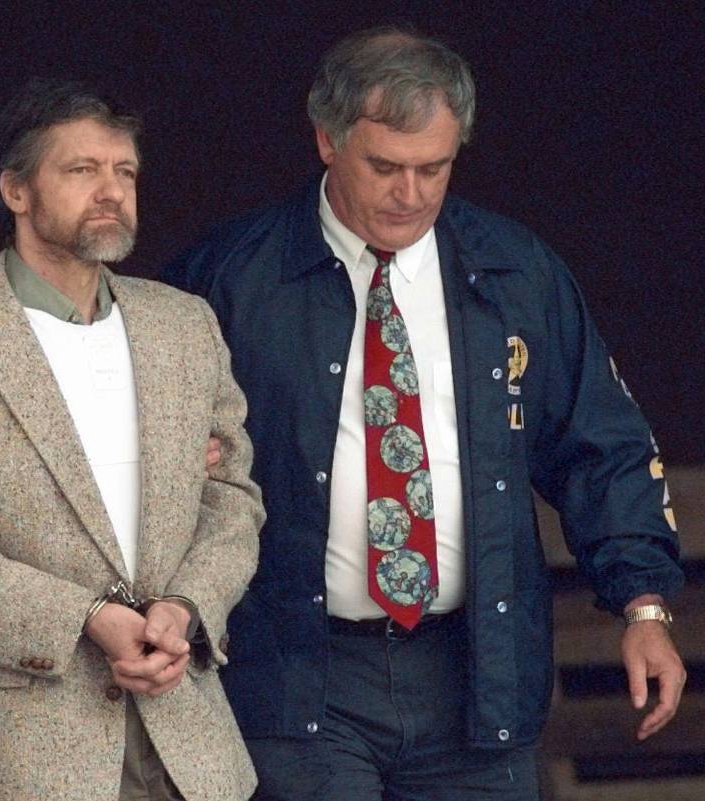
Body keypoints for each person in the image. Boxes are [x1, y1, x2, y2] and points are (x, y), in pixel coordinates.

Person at [163, 26, 685, 801]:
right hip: (297, 672)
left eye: (433, 168)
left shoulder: (516, 272)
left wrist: (643, 604)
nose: (410, 193)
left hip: (476, 672)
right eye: (385, 166)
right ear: (327, 140)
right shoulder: (231, 277)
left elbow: (600, 443)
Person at [0, 78, 265, 801]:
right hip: (11, 754)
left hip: (185, 734)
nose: (111, 190)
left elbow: (232, 497)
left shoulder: (185, 326)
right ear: (16, 190)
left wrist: (187, 608)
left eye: (124, 171)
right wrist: (82, 618)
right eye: (81, 170)